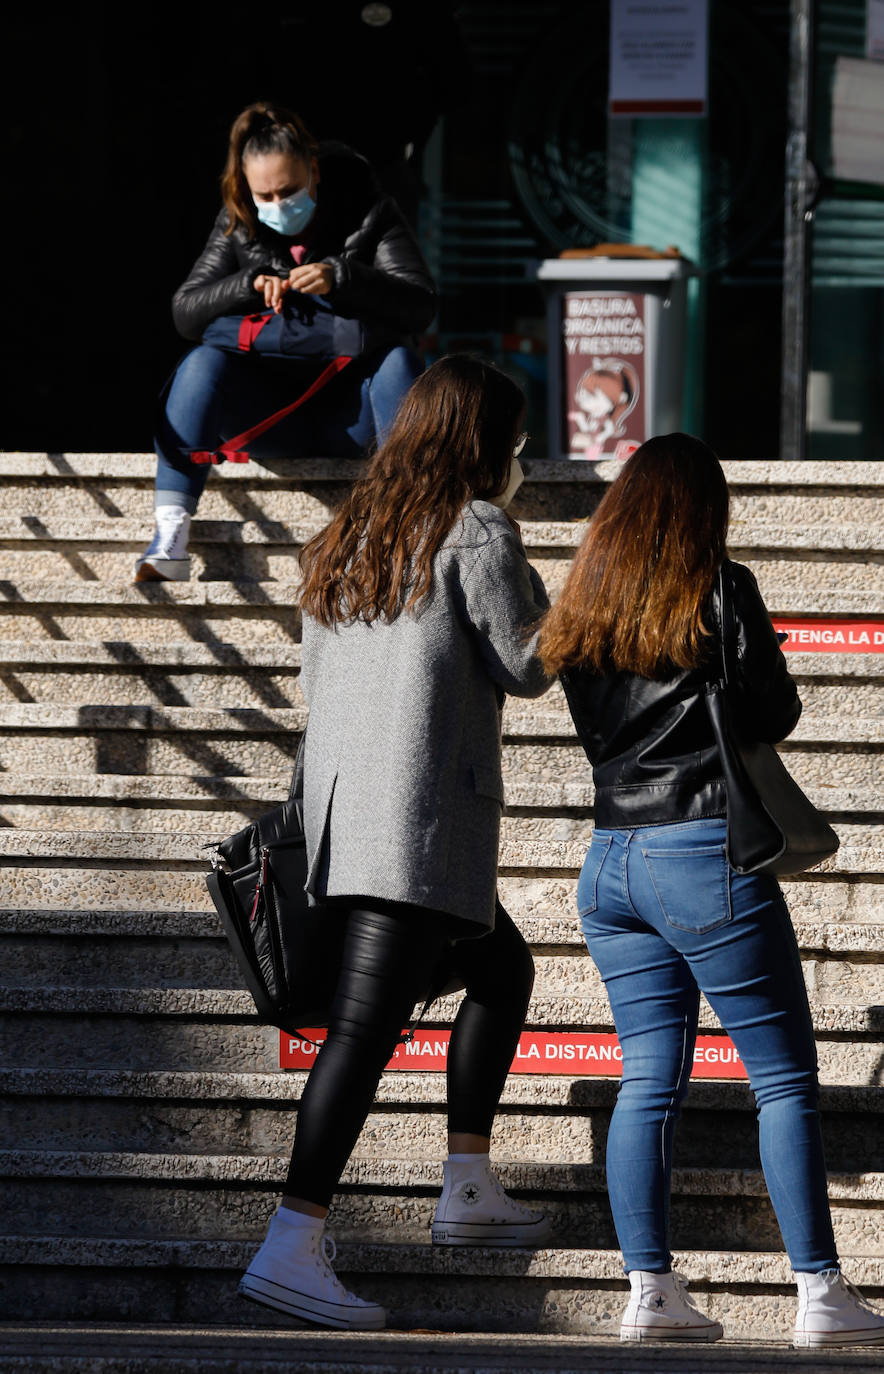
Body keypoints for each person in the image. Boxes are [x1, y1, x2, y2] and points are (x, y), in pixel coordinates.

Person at [537, 433, 884, 1349]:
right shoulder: (719, 587)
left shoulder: (584, 603)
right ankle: (819, 1291)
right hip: (701, 850)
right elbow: (775, 712)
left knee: (648, 1078)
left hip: (610, 860)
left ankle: (650, 1292)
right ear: (704, 509)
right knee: (782, 1078)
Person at [237, 355, 552, 1330]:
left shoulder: (347, 533)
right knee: (363, 1037)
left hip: (348, 825)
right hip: (414, 831)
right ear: (485, 442)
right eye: (511, 438)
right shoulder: (474, 529)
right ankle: (290, 1243)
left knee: (502, 971)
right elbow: (529, 660)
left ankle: (465, 1179)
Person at [136, 102, 436, 582]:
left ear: (314, 172)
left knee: (399, 361)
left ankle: (416, 529)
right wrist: (248, 283)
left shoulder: (370, 209)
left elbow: (420, 303)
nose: (278, 205)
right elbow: (185, 312)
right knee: (200, 363)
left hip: (358, 418)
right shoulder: (237, 222)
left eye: (290, 190)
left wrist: (344, 278)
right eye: (265, 195)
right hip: (270, 417)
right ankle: (170, 535)